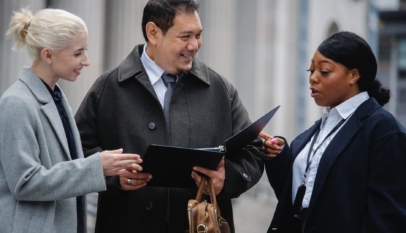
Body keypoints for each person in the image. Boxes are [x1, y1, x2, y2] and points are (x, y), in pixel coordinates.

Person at [74, 0, 264, 232]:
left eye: (198, 35)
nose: (194, 45)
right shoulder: (108, 88)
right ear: (153, 33)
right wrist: (113, 177)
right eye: (185, 36)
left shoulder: (219, 89)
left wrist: (227, 179)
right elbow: (75, 151)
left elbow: (253, 152)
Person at [0, 8, 142, 233]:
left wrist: (110, 171)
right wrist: (96, 167)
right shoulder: (16, 102)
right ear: (48, 55)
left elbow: (64, 170)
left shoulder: (56, 96)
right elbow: (24, 183)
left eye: (85, 51)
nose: (86, 61)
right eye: (77, 53)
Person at [260, 31, 406, 233]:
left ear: (353, 75)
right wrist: (279, 156)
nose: (313, 78)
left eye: (324, 71)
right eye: (310, 70)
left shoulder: (383, 130)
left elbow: (387, 217)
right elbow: (296, 195)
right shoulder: (316, 131)